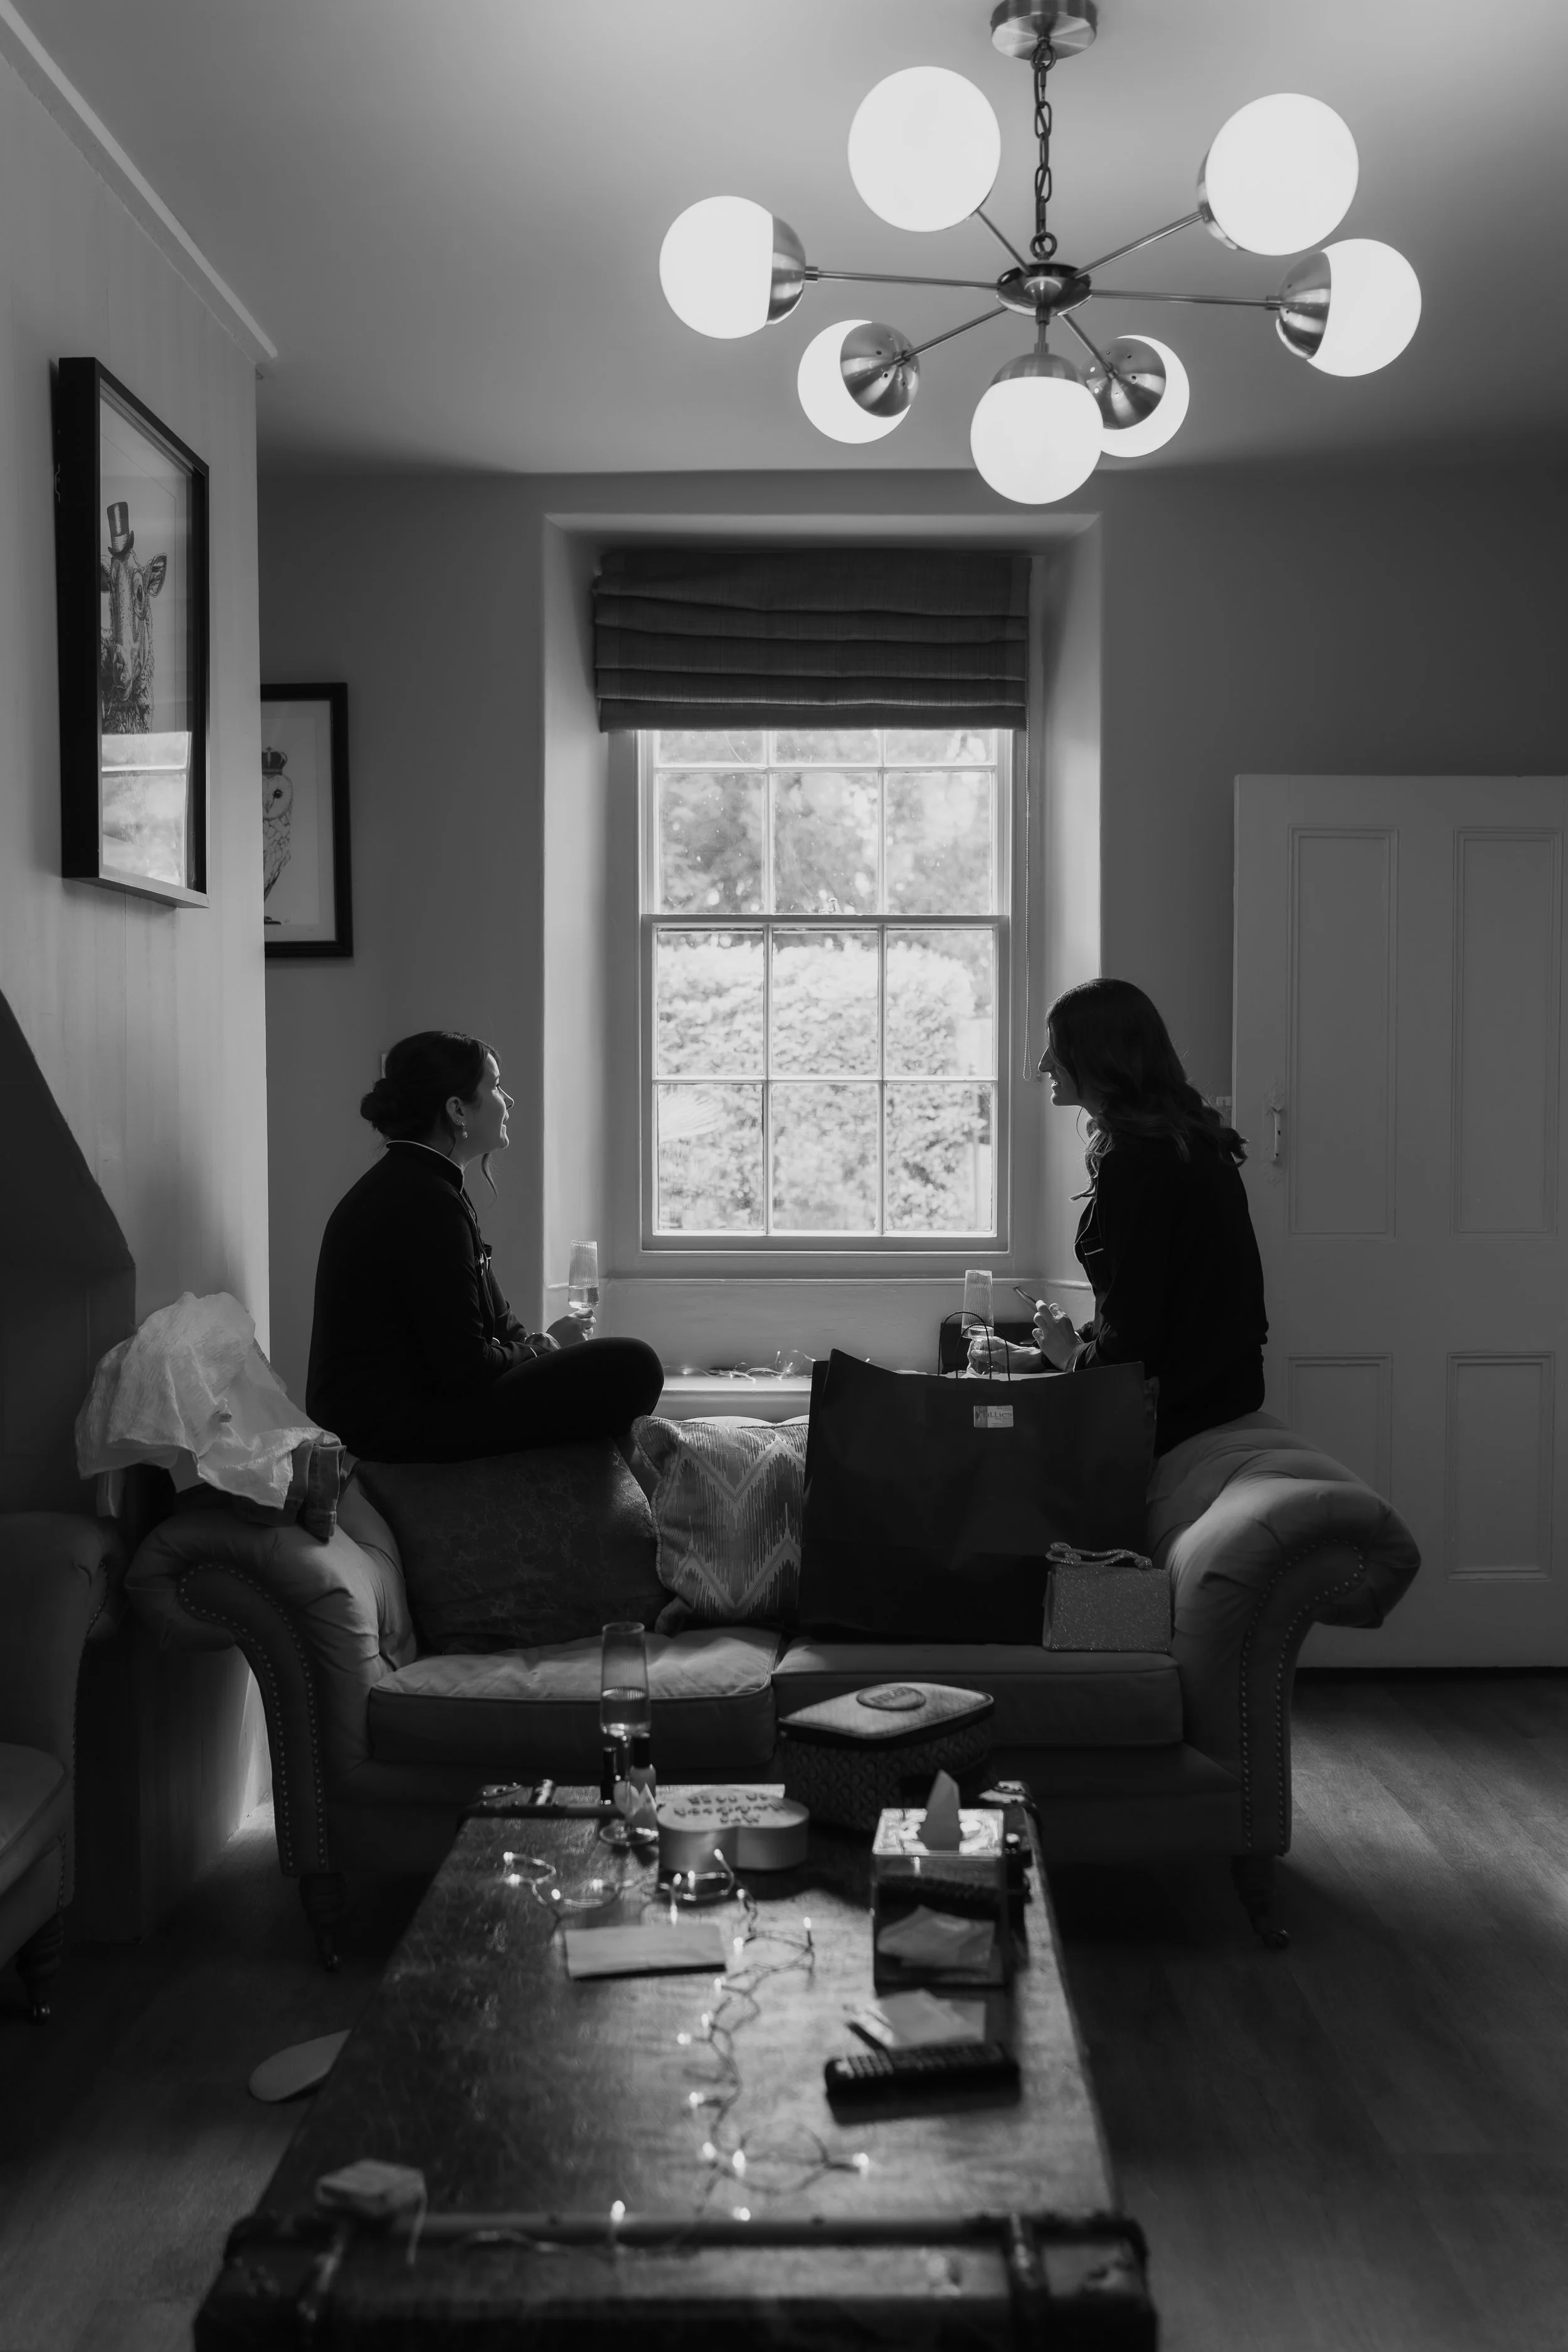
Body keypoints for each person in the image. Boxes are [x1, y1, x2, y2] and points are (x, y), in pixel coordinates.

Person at [306, 1030, 664, 1461]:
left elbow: (499, 1323)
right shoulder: (421, 1201)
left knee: (611, 1371)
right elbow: (466, 1368)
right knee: (634, 1366)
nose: (508, 1100)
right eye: (495, 1086)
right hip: (392, 1425)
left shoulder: (431, 1187)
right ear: (457, 1109)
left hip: (410, 1407)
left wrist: (537, 1347)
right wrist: (542, 1349)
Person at [968, 978, 1268, 1455]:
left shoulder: (1140, 1162)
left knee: (978, 1439)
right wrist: (1047, 1356)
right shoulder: (1175, 1147)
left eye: (1056, 1049)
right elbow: (1153, 1300)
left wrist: (1070, 1358)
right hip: (1215, 1390)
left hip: (1180, 1407)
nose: (1043, 1064)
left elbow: (1138, 1333)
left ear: (1100, 1058)